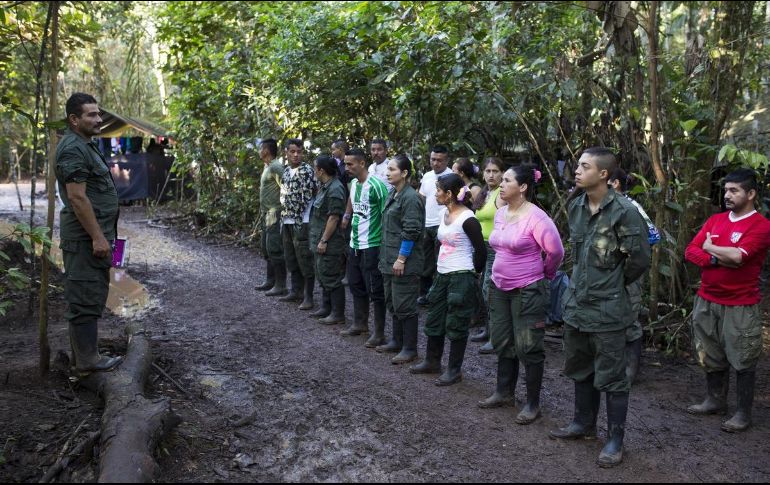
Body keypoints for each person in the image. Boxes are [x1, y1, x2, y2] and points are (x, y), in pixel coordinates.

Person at [549, 147, 650, 468]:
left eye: (584, 166)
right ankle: (583, 422)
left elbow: (639, 260)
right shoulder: (577, 206)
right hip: (577, 306)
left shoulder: (625, 211)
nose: (577, 171)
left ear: (603, 174)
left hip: (608, 309)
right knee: (580, 367)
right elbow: (578, 257)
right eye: (577, 165)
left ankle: (615, 439)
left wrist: (612, 285)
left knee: (613, 376)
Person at [684, 168, 770, 433]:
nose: (727, 195)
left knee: (743, 356)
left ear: (751, 193)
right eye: (725, 190)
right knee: (709, 352)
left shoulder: (761, 225)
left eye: (734, 190)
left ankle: (743, 413)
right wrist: (713, 257)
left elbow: (739, 257)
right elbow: (691, 251)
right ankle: (715, 400)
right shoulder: (716, 220)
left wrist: (710, 247)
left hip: (740, 303)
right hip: (707, 299)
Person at [478, 165, 564, 425]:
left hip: (527, 288)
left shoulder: (537, 217)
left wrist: (545, 275)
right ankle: (504, 392)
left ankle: (532, 404)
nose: (501, 184)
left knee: (528, 346)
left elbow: (556, 252)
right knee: (502, 340)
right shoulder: (501, 213)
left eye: (507, 180)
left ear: (523, 187)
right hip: (499, 286)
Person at [55, 92, 122, 374]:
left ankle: (85, 355)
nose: (98, 119)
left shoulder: (86, 144)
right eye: (91, 115)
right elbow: (77, 197)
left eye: (98, 113)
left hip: (93, 236)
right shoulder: (73, 148)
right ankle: (87, 362)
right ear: (74, 119)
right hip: (84, 239)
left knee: (92, 293)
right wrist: (97, 236)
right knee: (84, 297)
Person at [410, 174, 486, 385]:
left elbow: (481, 251)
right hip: (442, 275)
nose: (435, 194)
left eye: (438, 190)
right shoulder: (443, 213)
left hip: (461, 276)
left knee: (457, 323)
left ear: (449, 194)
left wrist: (473, 273)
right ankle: (432, 361)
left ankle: (454, 370)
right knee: (435, 318)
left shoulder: (468, 219)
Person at [608, 168, 661, 383]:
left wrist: (628, 264)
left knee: (629, 317)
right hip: (606, 276)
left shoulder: (631, 207)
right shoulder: (599, 207)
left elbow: (653, 235)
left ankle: (630, 370)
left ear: (615, 184)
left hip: (628, 273)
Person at [375, 154, 425, 364]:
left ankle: (409, 348)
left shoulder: (410, 198)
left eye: (392, 169)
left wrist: (402, 258)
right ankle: (396, 341)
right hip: (388, 259)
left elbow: (411, 230)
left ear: (404, 173)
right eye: (387, 169)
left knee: (405, 304)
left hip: (404, 261)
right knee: (393, 302)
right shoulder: (393, 193)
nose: (387, 173)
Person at [339, 148, 389, 342]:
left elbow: (387, 213)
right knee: (355, 284)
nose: (346, 167)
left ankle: (379, 332)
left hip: (372, 244)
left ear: (362, 163)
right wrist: (347, 215)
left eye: (350, 164)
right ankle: (360, 323)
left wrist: (384, 243)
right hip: (355, 242)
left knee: (375, 289)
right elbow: (352, 200)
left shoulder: (376, 185)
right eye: (345, 164)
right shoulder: (353, 183)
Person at [470, 157, 506, 354]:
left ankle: (496, 337)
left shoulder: (502, 194)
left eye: (495, 171)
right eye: (488, 171)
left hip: (495, 248)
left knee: (489, 291)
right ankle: (488, 330)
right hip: (481, 247)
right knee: (482, 289)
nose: (491, 175)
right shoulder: (484, 193)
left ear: (502, 173)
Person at [276, 139, 317, 311]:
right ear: (286, 152)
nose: (296, 155)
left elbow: (313, 192)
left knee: (305, 258)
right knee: (291, 257)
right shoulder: (286, 171)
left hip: (302, 221)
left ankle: (308, 296)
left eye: (299, 152)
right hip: (287, 220)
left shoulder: (307, 171)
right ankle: (295, 290)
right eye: (292, 151)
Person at [309, 155, 348, 325]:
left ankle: (337, 313)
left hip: (331, 241)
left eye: (315, 168)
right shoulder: (325, 186)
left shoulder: (335, 188)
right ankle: (326, 307)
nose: (313, 171)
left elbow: (334, 217)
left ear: (321, 170)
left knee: (331, 276)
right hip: (319, 237)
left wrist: (324, 240)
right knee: (322, 273)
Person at [417, 145, 453, 306]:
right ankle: (424, 294)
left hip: (443, 224)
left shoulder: (452, 176)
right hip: (427, 224)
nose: (436, 163)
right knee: (426, 261)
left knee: (442, 261)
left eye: (440, 160)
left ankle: (440, 296)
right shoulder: (427, 176)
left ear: (447, 160)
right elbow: (421, 198)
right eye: (433, 159)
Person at [255, 139, 286, 295]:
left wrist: (283, 209)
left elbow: (286, 187)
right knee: (266, 247)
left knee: (274, 247)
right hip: (265, 213)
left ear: (266, 150)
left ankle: (281, 285)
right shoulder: (267, 166)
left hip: (274, 212)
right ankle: (270, 280)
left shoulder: (276, 166)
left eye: (260, 148)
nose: (259, 151)